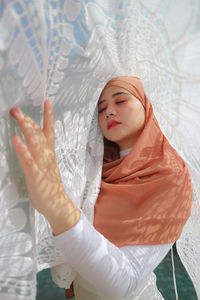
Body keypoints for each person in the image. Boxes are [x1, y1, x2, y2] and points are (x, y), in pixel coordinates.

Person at [10, 76, 192, 300]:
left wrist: (59, 209)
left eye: (121, 101)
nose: (109, 112)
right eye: (101, 108)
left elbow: (127, 279)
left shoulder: (169, 175)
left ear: (146, 104)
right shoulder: (94, 169)